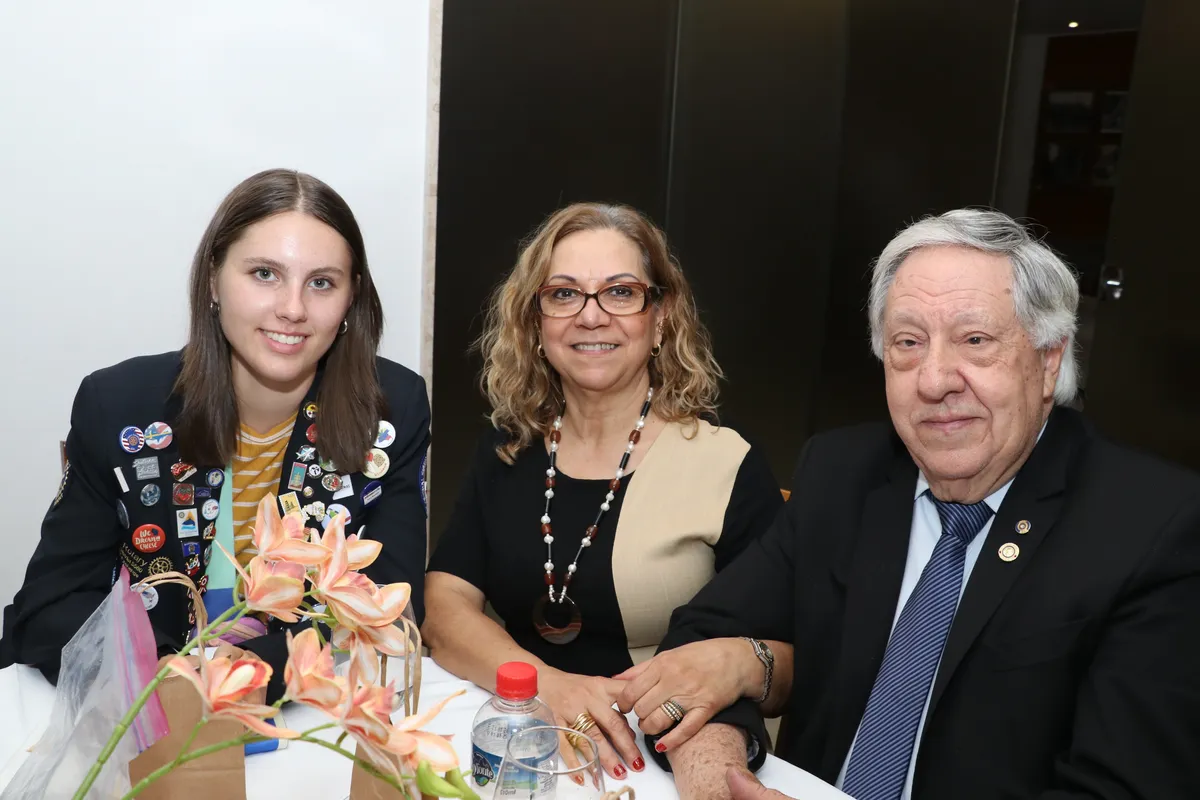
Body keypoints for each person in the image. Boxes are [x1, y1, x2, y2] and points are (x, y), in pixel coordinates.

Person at [618, 209, 1200, 800]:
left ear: (1048, 360)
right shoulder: (843, 475)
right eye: (908, 343)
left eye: (976, 341)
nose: (935, 379)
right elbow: (700, 639)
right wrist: (721, 784)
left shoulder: (1156, 527)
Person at [0, 169, 431, 702]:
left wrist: (248, 675)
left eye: (321, 282)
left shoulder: (393, 409)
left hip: (306, 712)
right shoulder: (117, 406)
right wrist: (178, 684)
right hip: (146, 710)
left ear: (350, 300)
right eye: (265, 274)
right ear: (212, 279)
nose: (293, 308)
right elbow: (48, 610)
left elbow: (391, 603)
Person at [421, 202, 787, 781]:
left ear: (660, 316)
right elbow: (443, 608)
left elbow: (788, 662)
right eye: (564, 294)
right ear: (535, 321)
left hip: (662, 761)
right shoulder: (508, 450)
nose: (591, 317)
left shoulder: (727, 464)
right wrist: (548, 688)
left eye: (620, 292)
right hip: (525, 746)